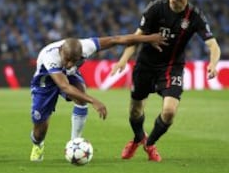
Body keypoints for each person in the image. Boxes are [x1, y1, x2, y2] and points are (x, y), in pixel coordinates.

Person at [110, 0, 221, 162]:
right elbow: (136, 37)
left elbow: (213, 45)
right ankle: (138, 138)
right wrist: (123, 60)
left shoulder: (194, 17)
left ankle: (149, 143)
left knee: (169, 111)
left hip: (171, 66)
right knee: (135, 111)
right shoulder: (156, 8)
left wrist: (213, 63)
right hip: (145, 65)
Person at [29, 33, 167, 161]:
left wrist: (149, 39)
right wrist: (93, 100)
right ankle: (38, 145)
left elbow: (116, 40)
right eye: (67, 60)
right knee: (39, 132)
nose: (70, 64)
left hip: (68, 76)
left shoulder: (86, 46)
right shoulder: (50, 56)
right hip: (45, 83)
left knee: (81, 96)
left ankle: (74, 143)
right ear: (61, 52)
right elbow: (64, 86)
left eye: (74, 61)